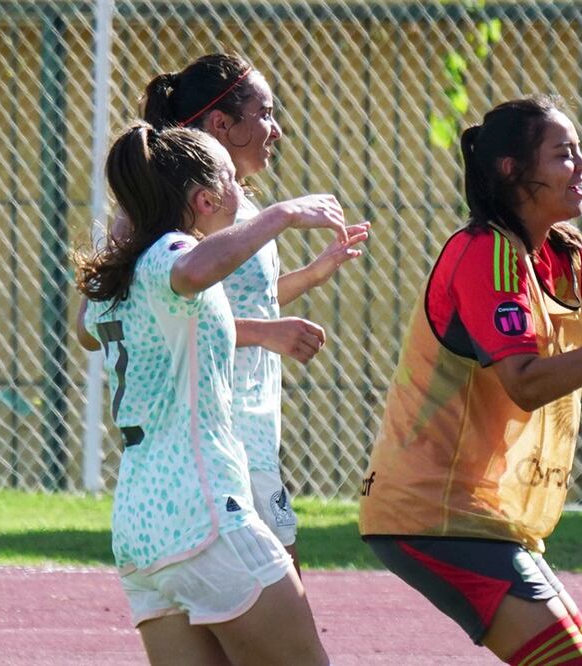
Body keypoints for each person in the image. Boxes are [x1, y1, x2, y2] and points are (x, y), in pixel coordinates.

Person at [358, 95, 582, 665]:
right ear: (512, 171)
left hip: (489, 519)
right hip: (434, 514)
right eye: (564, 154)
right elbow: (526, 382)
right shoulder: (485, 254)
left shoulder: (561, 254)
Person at [74, 123, 347, 664]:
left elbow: (89, 328)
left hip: (141, 528)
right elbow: (194, 266)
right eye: (233, 183)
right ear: (205, 199)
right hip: (205, 513)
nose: (245, 195)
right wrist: (284, 215)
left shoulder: (122, 273)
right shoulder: (171, 253)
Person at [141, 53, 370, 571]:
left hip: (254, 424)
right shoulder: (186, 207)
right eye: (264, 113)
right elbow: (166, 316)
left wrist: (311, 275)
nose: (277, 129)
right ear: (221, 123)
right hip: (209, 426)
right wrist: (268, 332)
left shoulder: (239, 208)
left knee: (267, 582)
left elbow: (230, 306)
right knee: (272, 587)